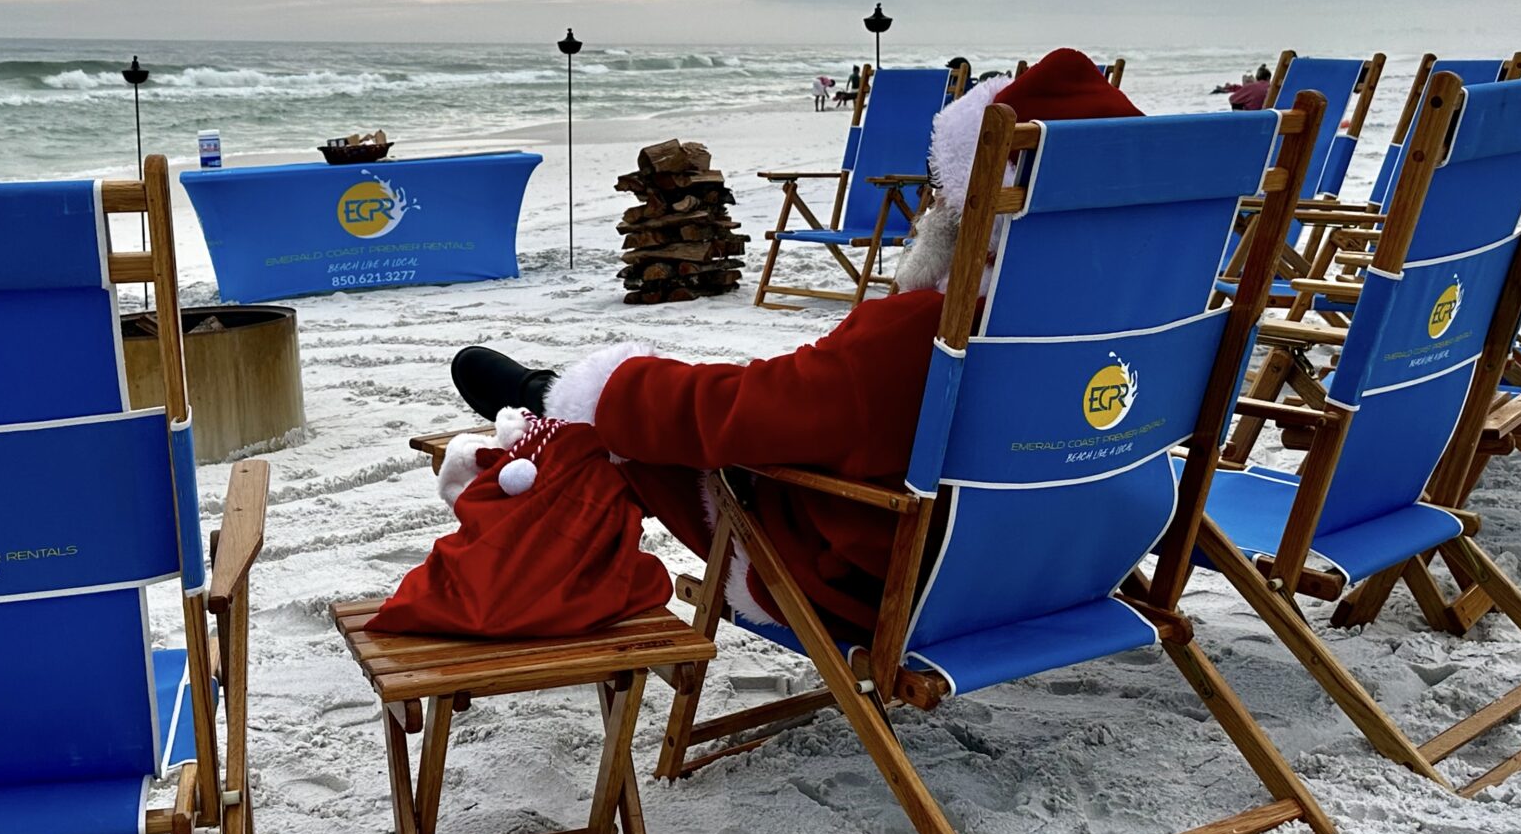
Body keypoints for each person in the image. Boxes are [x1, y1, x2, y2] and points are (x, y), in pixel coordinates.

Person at [447, 49, 1143, 637]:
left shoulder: (921, 336)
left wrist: (605, 385)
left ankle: (550, 403)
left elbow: (751, 410)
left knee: (665, 430)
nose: (932, 209)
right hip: (1070, 560)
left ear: (971, 214)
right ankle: (549, 402)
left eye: (943, 197)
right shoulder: (1161, 328)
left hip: (889, 594)